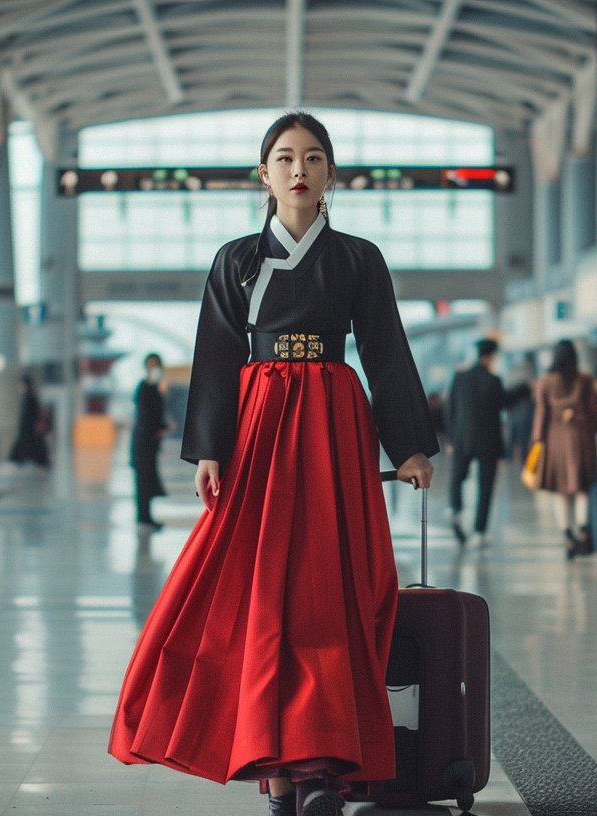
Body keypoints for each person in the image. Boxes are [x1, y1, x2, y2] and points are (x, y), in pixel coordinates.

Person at [108, 112, 438, 816]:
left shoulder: (358, 258)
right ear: (264, 174)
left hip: (332, 420)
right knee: (263, 597)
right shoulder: (236, 260)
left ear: (329, 174)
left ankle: (319, 767)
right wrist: (210, 451)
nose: (299, 169)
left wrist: (408, 446)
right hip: (260, 423)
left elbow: (384, 352)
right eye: (284, 158)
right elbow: (218, 358)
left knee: (333, 588)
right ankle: (284, 775)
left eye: (313, 157)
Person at [529, 340, 597, 557]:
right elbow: (593, 411)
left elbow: (541, 415)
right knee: (583, 487)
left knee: (561, 491)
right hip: (582, 438)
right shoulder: (584, 380)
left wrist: (537, 441)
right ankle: (584, 530)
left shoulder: (545, 382)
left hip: (554, 439)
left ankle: (568, 536)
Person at [444, 338, 529, 546]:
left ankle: (456, 511)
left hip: (462, 439)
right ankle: (480, 532)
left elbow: (450, 409)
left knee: (457, 478)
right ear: (490, 357)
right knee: (486, 486)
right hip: (488, 442)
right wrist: (524, 389)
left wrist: (451, 438)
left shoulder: (460, 377)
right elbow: (505, 405)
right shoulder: (494, 380)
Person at [131, 353, 172, 530]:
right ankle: (143, 517)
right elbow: (146, 416)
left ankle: (146, 516)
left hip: (149, 443)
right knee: (143, 481)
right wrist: (158, 428)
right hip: (143, 442)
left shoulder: (155, 388)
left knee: (147, 480)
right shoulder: (144, 389)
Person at [8, 375, 50, 468]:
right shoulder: (28, 397)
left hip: (30, 428)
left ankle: (40, 462)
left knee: (34, 445)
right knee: (29, 445)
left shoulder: (31, 397)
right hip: (27, 428)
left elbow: (34, 413)